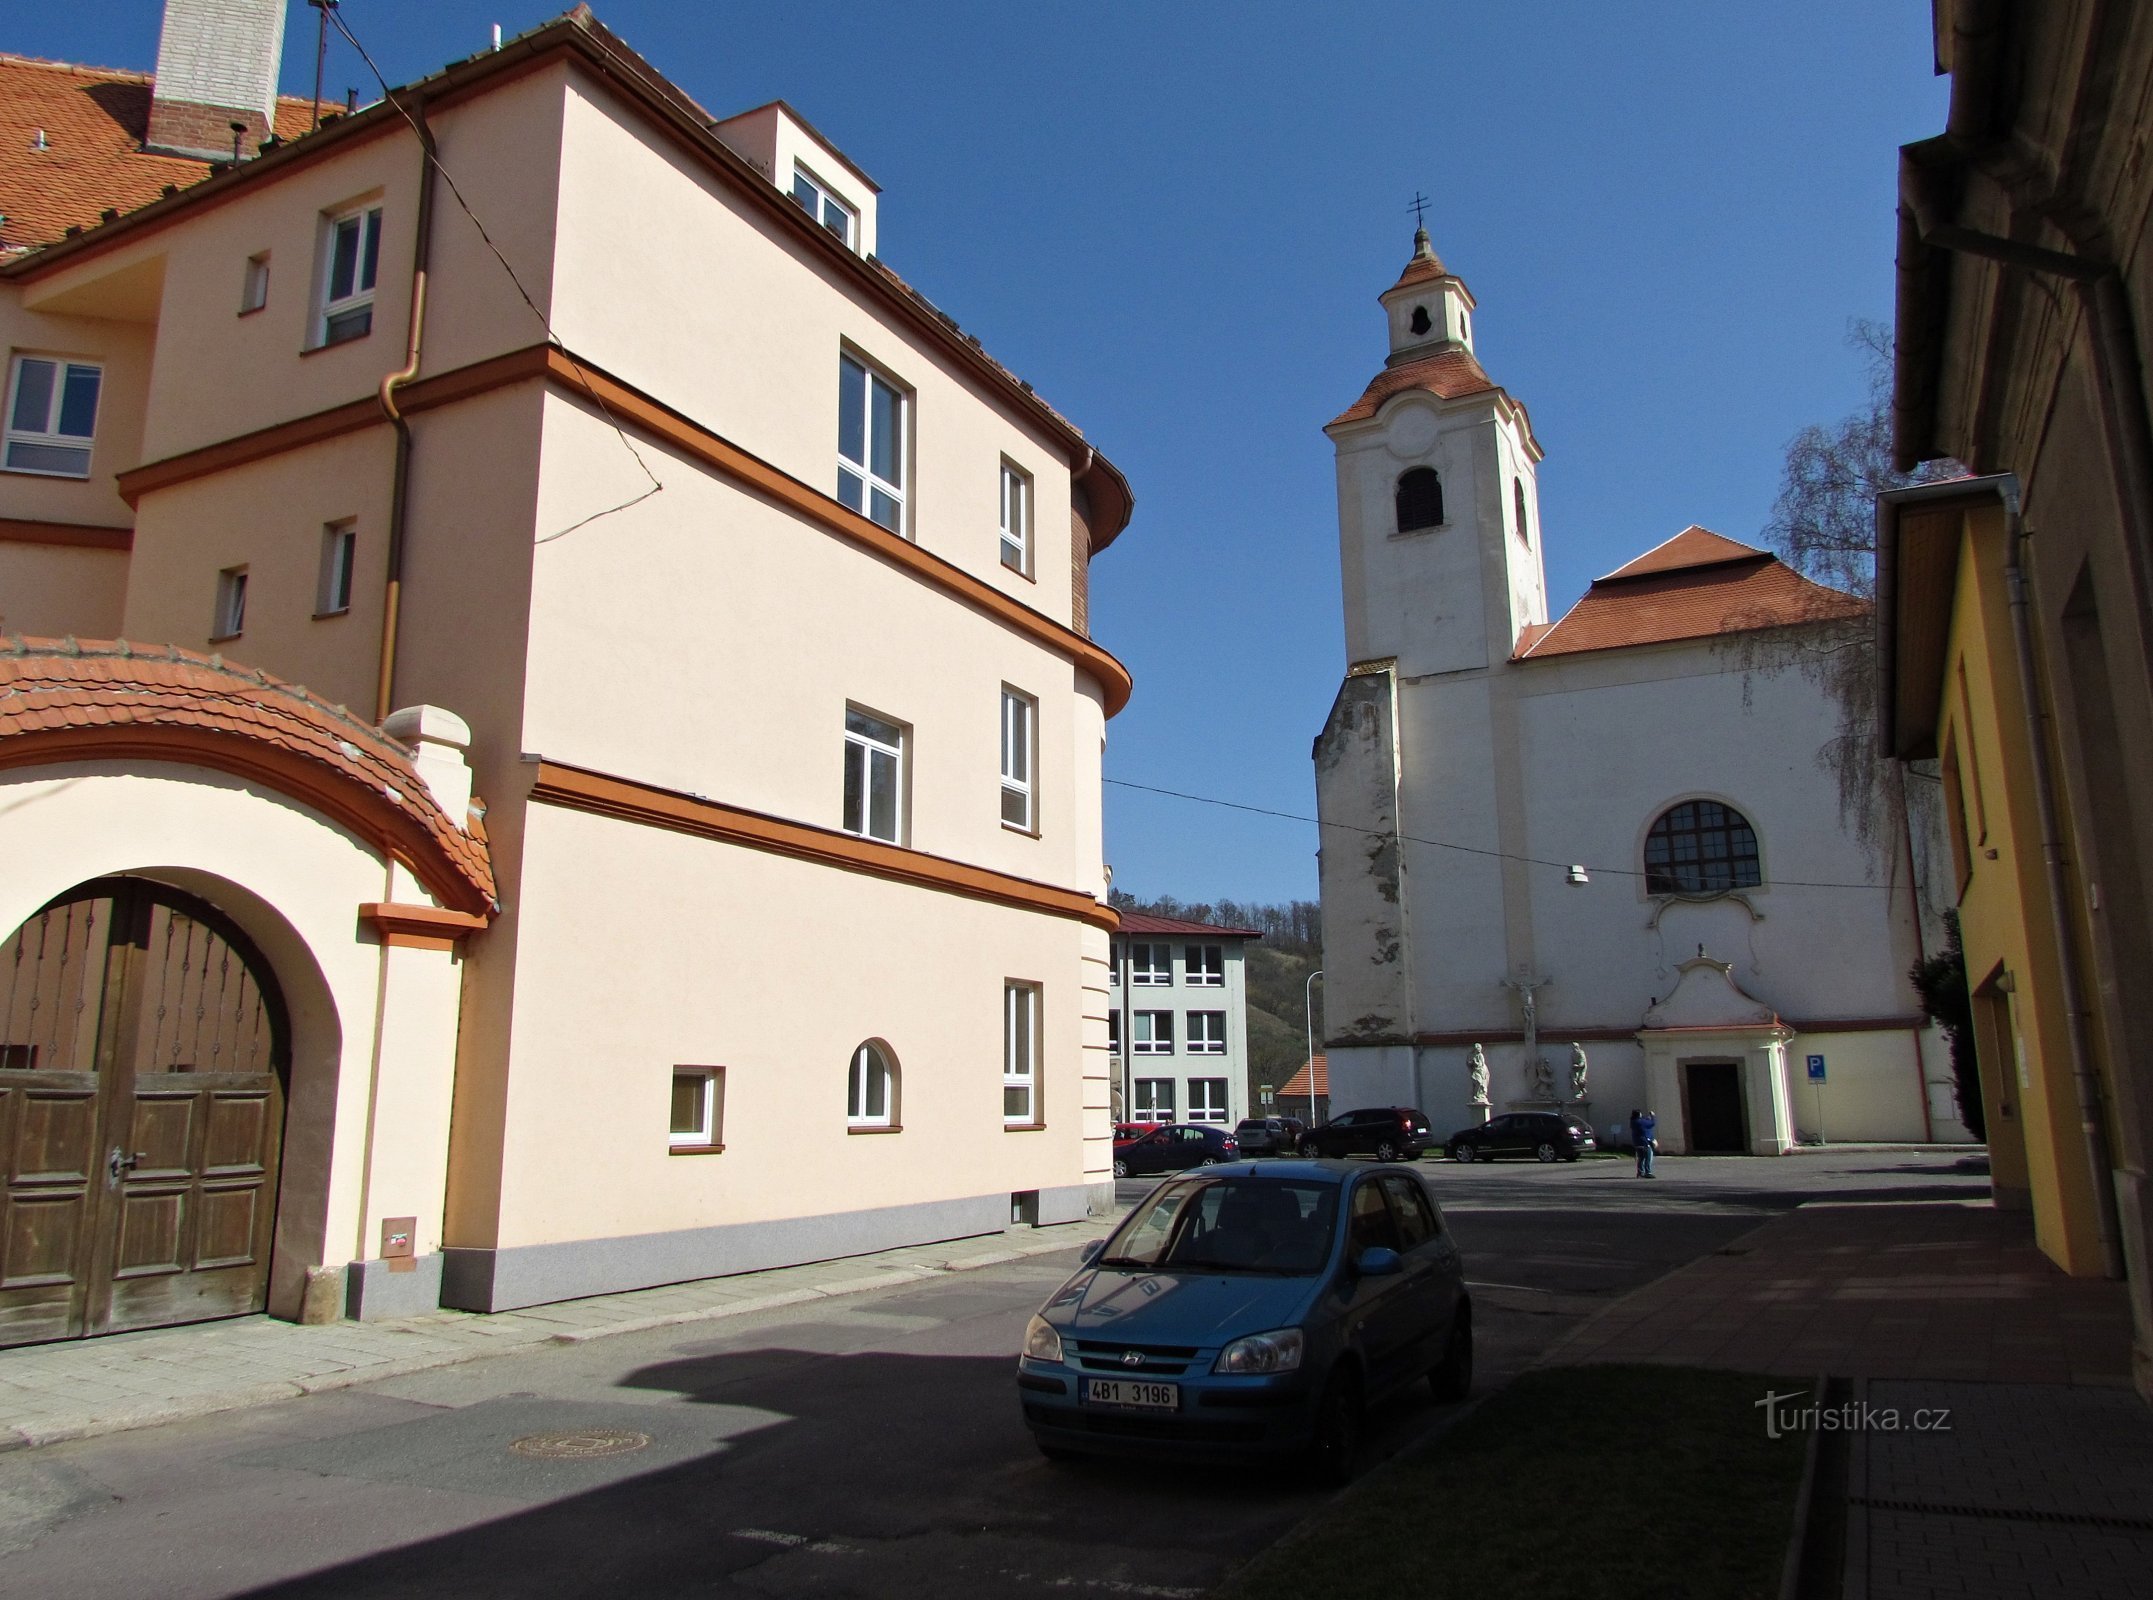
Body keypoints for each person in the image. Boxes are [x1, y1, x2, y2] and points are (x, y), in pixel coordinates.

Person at [1629, 1107, 1657, 1177]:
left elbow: (1644, 1123)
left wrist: (1646, 1118)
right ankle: (1648, 1172)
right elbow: (1652, 1123)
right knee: (1648, 1157)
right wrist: (1652, 1116)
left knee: (1641, 1158)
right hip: (1644, 1142)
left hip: (1637, 1143)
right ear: (1639, 1114)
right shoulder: (1641, 1122)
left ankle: (1640, 1172)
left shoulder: (1633, 1122)